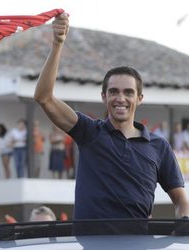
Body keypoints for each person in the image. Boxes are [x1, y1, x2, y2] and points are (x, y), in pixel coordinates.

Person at [33, 13, 189, 219]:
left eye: (128, 92)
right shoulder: (89, 132)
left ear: (140, 98)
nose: (120, 98)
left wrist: (183, 226)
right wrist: (57, 44)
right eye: (114, 92)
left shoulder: (159, 146)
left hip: (138, 244)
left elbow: (181, 201)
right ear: (104, 97)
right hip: (92, 244)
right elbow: (44, 98)